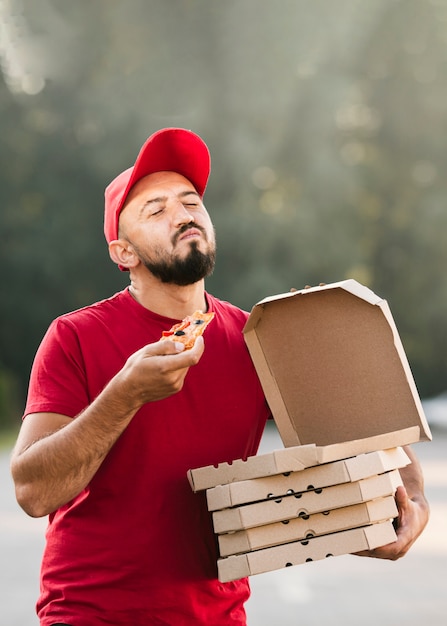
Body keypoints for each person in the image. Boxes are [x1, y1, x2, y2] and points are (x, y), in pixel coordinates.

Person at [10, 128, 429, 626]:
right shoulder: (75, 336)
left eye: (190, 202)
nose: (183, 214)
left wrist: (412, 502)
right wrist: (124, 396)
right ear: (124, 253)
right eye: (156, 209)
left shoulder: (258, 339)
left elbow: (369, 435)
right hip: (90, 614)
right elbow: (33, 492)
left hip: (219, 616)